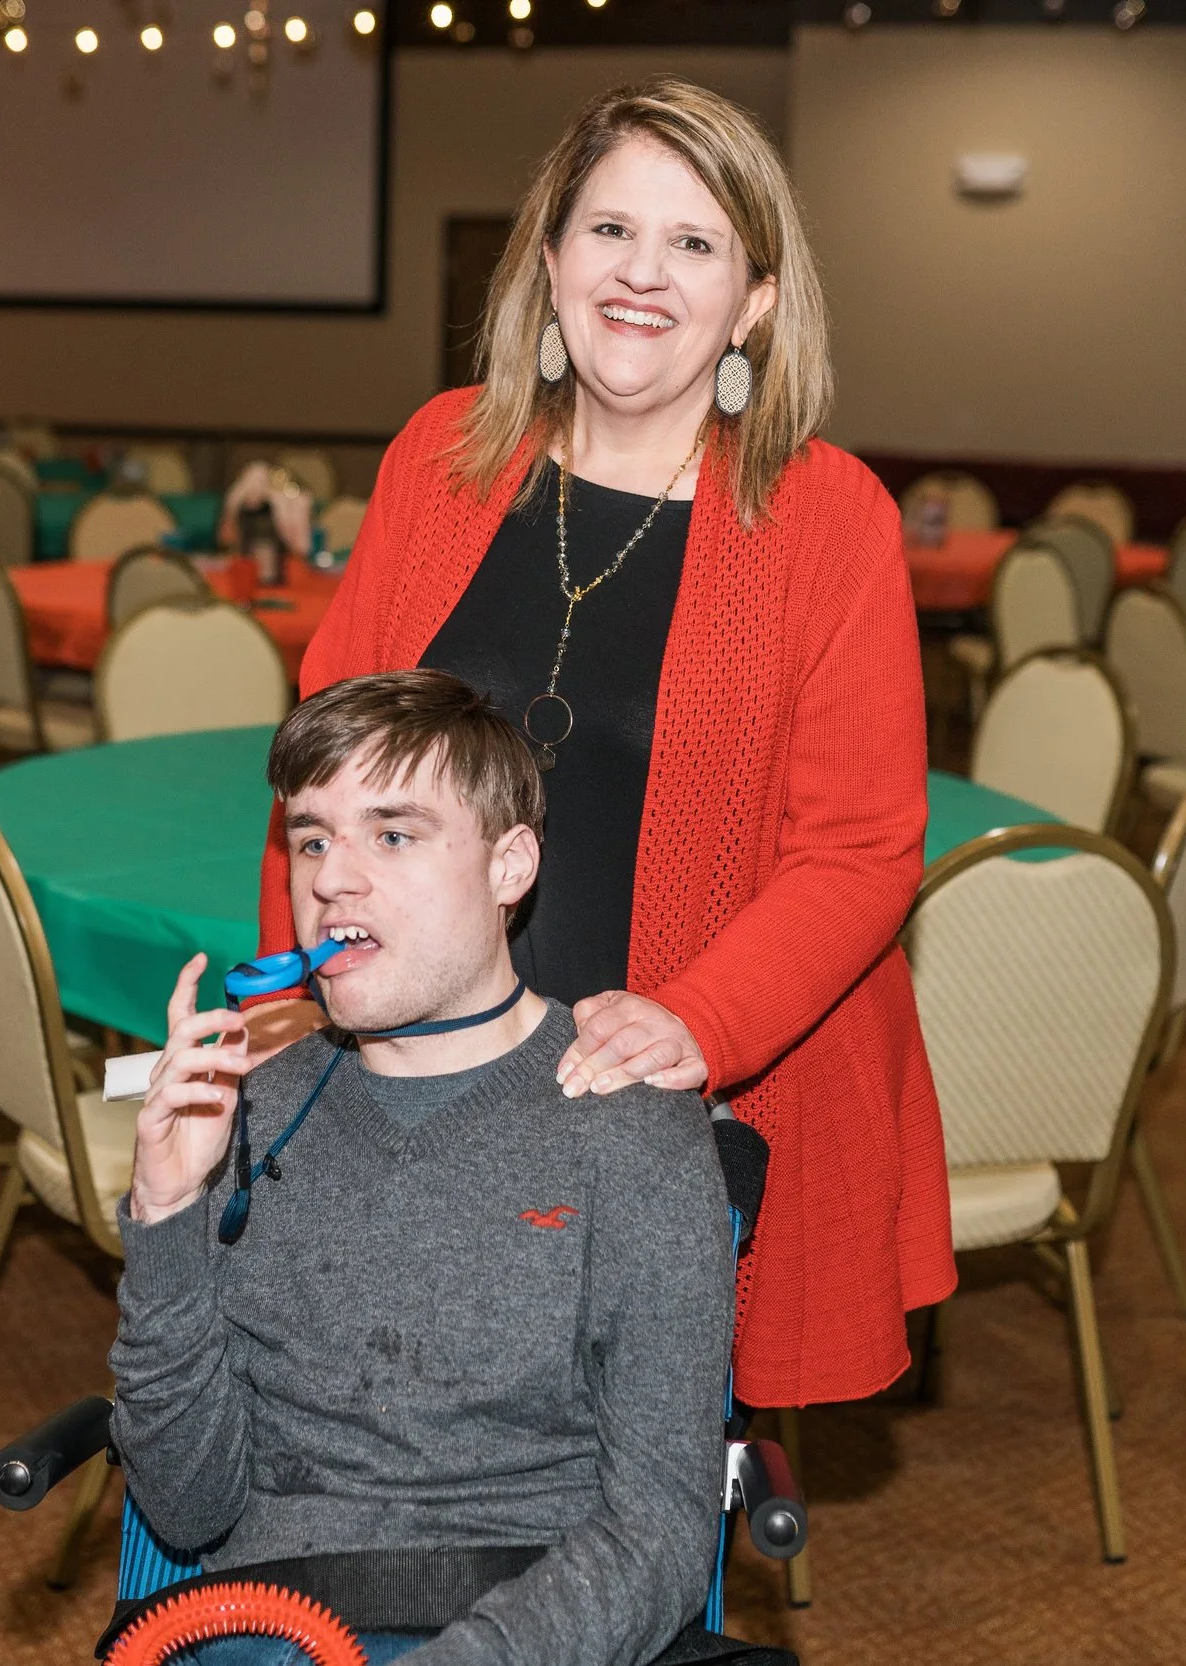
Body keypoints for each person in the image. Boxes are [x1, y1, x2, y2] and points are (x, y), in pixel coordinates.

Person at [259, 77, 952, 1409]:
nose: (642, 274)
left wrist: (701, 1019)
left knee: (641, 1480)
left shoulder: (829, 519)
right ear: (551, 258)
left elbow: (861, 848)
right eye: (610, 230)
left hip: (679, 1092)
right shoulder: (439, 458)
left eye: (693, 243)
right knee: (393, 1433)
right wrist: (301, 997)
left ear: (753, 301)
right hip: (433, 1064)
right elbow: (321, 778)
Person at [116, 671, 735, 1666]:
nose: (332, 879)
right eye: (312, 840)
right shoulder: (246, 1111)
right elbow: (187, 1508)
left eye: (393, 835)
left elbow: (660, 1534)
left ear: (508, 866)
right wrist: (166, 1214)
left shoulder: (631, 1130)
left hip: (534, 1625)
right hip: (267, 1624)